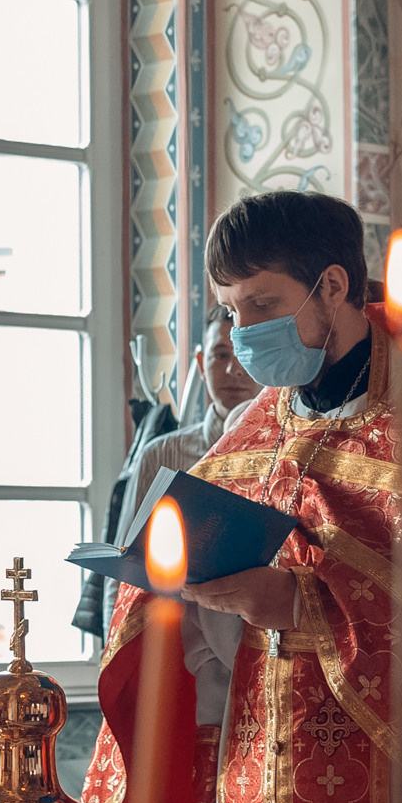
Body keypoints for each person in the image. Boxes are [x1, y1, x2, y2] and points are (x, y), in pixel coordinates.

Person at [82, 190, 402, 803]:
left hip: (391, 775)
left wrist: (301, 603)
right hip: (262, 753)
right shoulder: (260, 421)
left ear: (332, 286)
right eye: (232, 311)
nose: (244, 334)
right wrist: (168, 581)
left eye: (262, 304)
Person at [107, 308, 263, 761]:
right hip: (175, 644)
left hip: (249, 636)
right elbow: (127, 563)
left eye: (240, 355)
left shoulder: (280, 447)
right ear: (199, 364)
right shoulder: (166, 451)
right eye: (218, 355)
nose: (231, 369)